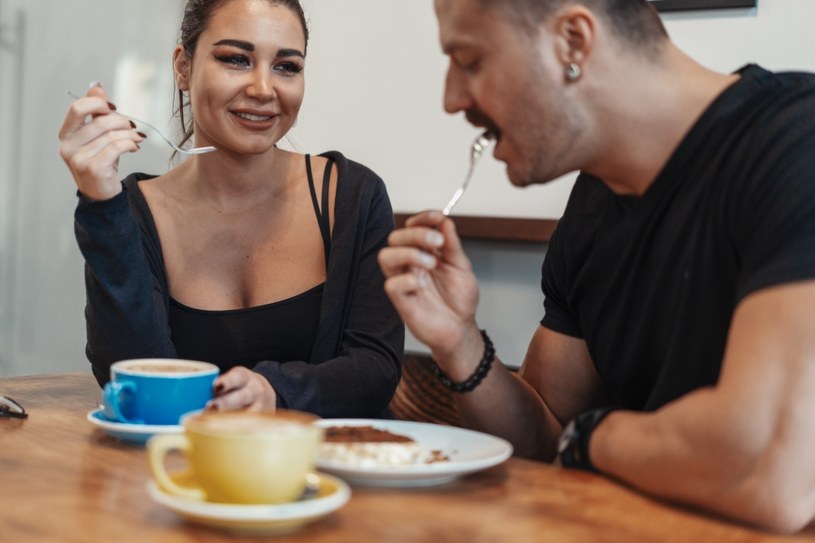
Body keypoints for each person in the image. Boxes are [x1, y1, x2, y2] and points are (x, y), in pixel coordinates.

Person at [378, 0, 815, 533]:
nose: (452, 98)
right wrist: (458, 342)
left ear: (574, 42)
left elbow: (770, 471)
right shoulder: (594, 201)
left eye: (469, 61)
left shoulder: (796, 144)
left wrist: (596, 437)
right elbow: (543, 440)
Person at [57, 0, 403, 418]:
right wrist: (103, 204)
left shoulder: (351, 196)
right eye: (236, 59)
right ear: (183, 67)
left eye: (286, 66)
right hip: (183, 473)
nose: (263, 88)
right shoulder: (133, 212)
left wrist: (273, 391)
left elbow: (376, 368)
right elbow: (130, 378)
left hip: (342, 475)